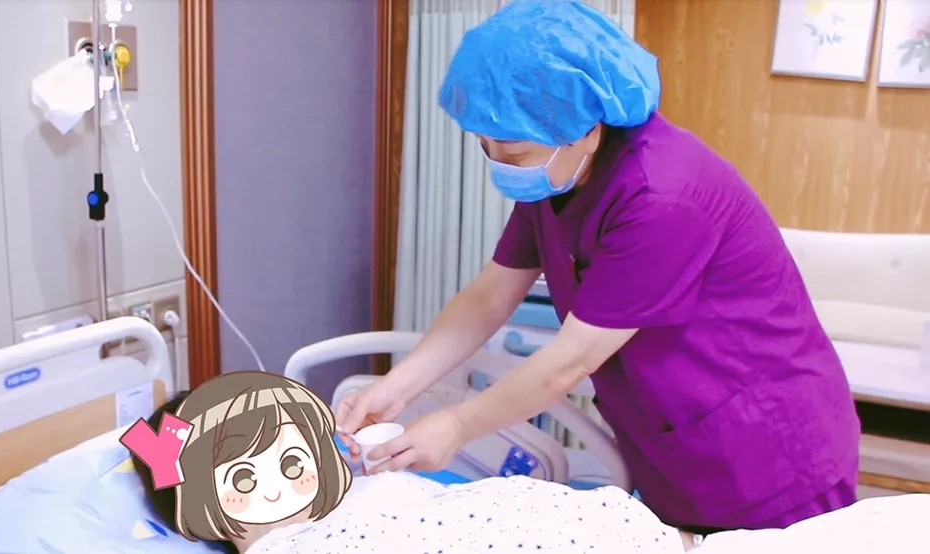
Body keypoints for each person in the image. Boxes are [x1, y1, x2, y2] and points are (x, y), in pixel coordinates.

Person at [335, 0, 860, 536]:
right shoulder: (557, 178)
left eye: (513, 154)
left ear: (586, 129)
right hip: (673, 439)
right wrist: (397, 386)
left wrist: (456, 424)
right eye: (483, 145)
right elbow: (489, 296)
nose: (496, 165)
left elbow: (571, 360)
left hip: (766, 449)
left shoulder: (662, 195)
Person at [135, 395, 929, 554]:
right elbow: (147, 450)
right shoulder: (291, 549)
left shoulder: (353, 491)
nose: (283, 473)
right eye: (242, 476)